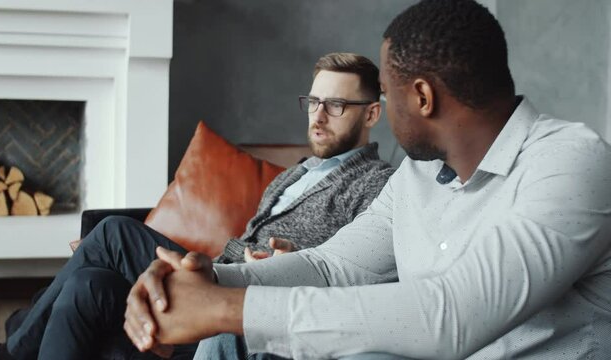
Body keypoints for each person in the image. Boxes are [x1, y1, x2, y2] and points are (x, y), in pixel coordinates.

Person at [123, 0, 611, 359]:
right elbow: (333, 268)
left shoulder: (572, 162)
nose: (381, 111)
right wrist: (213, 279)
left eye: (384, 94)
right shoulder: (417, 176)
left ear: (421, 97)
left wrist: (226, 309)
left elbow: (450, 316)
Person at [0, 52, 395, 360]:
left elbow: (358, 274)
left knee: (112, 233)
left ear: (372, 113)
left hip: (242, 308)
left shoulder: (377, 185)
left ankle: (8, 352)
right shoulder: (296, 172)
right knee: (88, 283)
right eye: (314, 102)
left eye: (336, 105)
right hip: (211, 271)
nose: (318, 116)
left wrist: (291, 262)